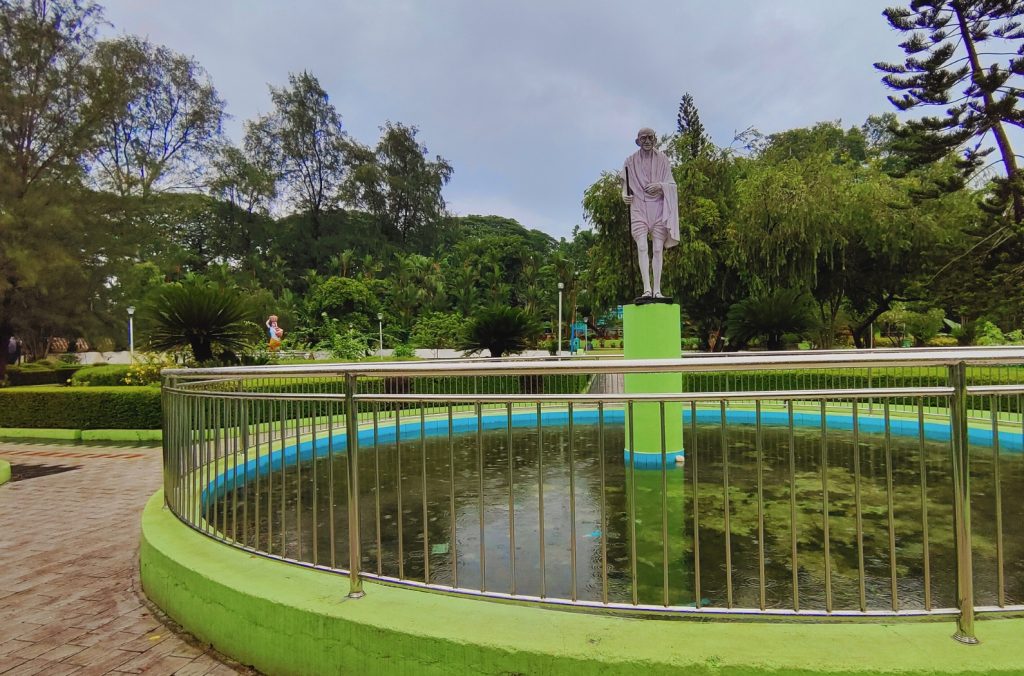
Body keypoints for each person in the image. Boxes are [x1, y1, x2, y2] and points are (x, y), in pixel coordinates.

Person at [620, 127, 679, 301]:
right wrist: (624, 195)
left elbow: (672, 185)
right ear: (638, 140)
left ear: (655, 139)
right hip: (638, 205)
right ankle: (647, 288)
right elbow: (625, 186)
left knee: (658, 249)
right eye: (643, 138)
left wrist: (660, 186)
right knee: (642, 246)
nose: (647, 141)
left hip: (658, 206)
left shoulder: (663, 159)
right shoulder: (630, 161)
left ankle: (657, 290)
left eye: (650, 138)